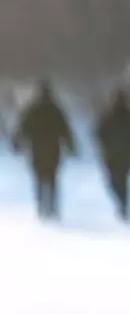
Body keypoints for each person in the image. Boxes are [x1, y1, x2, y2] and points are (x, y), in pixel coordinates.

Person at [12, 79, 76, 220]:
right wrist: (71, 146)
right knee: (52, 177)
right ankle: (52, 206)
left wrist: (16, 143)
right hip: (53, 149)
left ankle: (42, 205)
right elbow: (65, 129)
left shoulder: (33, 109)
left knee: (39, 177)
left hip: (37, 149)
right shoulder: (56, 109)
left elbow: (23, 127)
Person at [94, 89, 130, 221]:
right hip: (125, 154)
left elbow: (99, 133)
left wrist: (104, 146)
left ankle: (123, 203)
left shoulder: (110, 115)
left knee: (114, 181)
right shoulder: (129, 116)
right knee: (123, 180)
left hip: (113, 154)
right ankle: (124, 204)